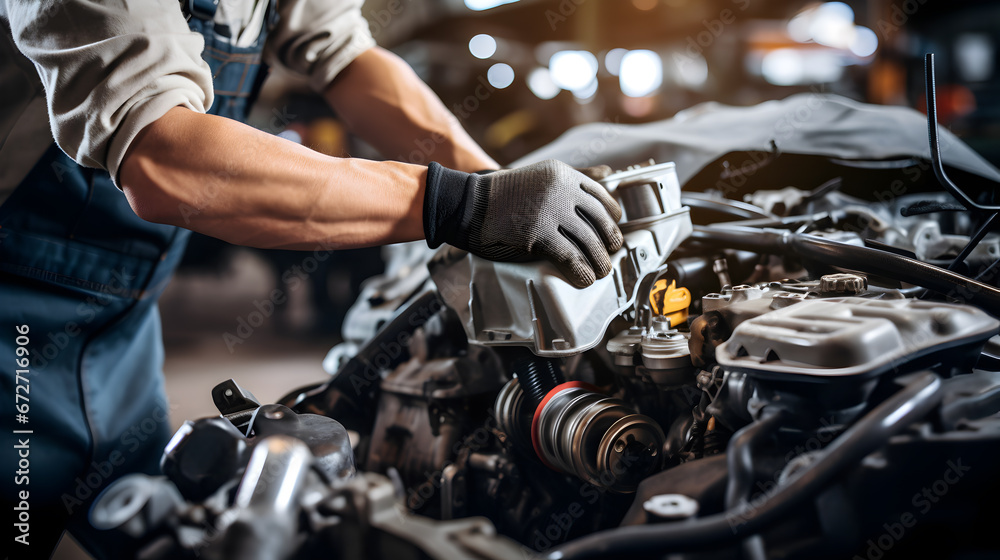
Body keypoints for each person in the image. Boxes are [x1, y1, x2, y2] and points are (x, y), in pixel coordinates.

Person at [0, 0, 623, 557]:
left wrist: (499, 192)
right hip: (14, 327)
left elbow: (346, 56)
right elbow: (164, 156)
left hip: (120, 330)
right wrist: (461, 205)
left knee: (164, 521)